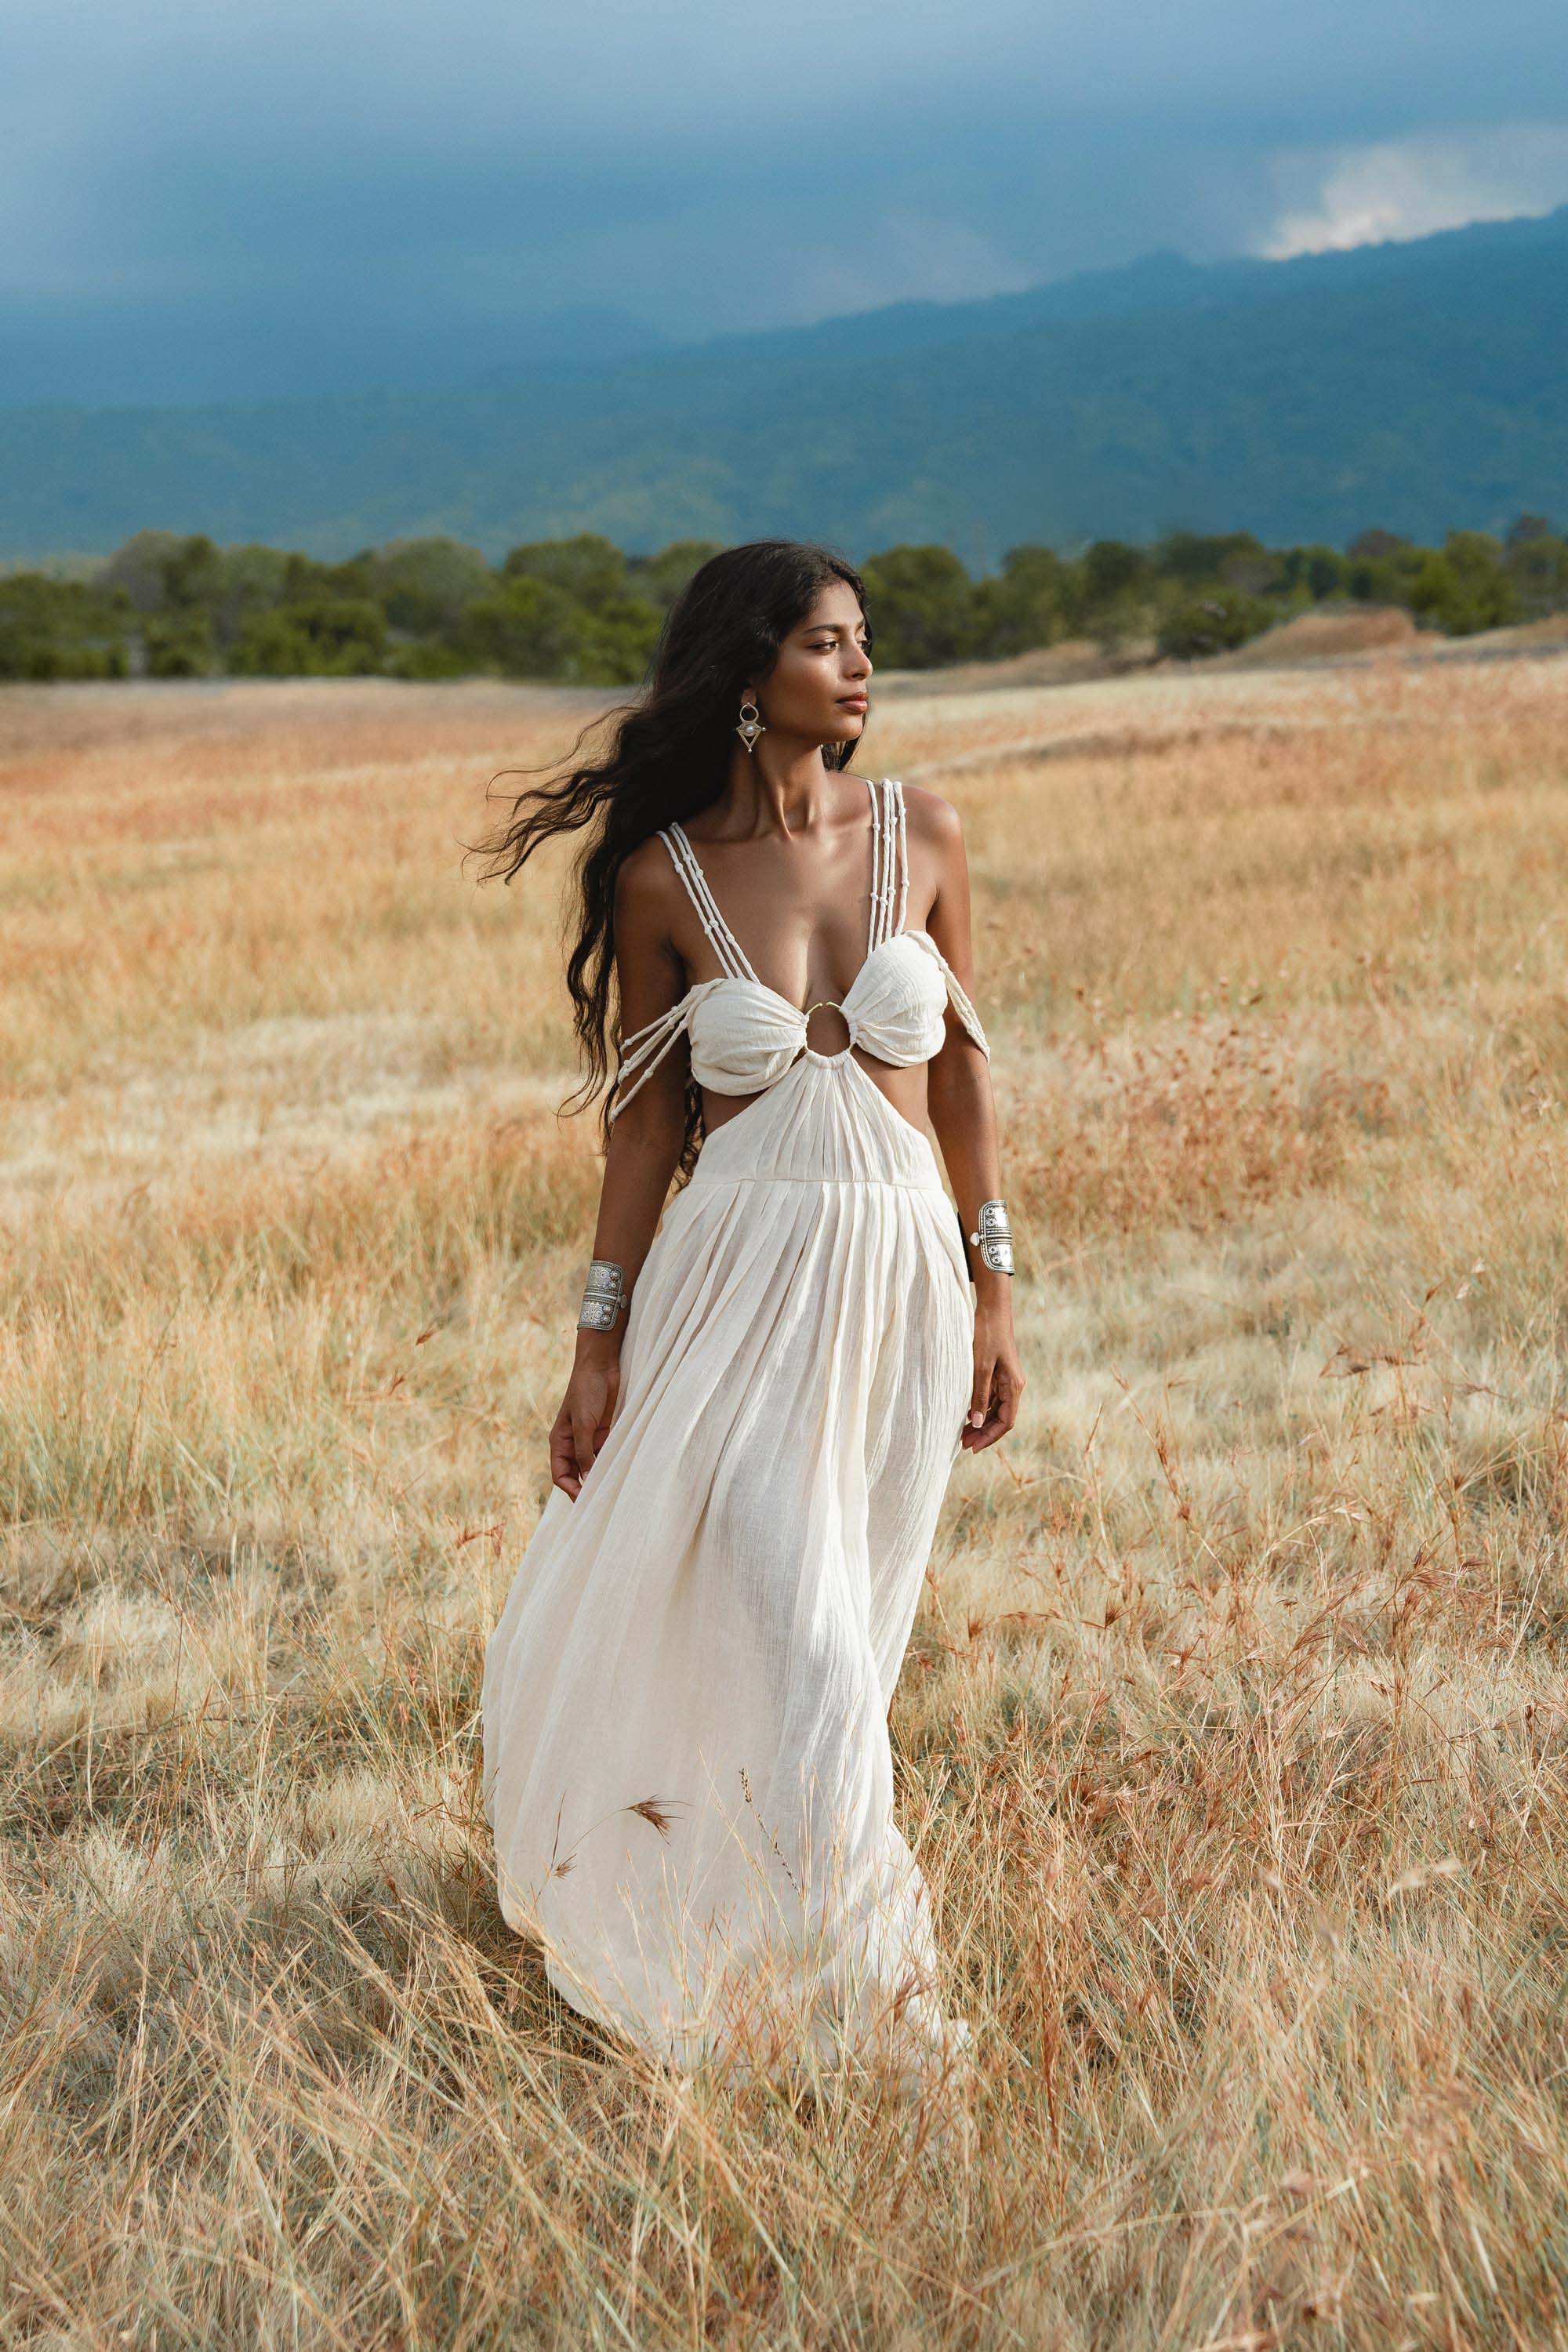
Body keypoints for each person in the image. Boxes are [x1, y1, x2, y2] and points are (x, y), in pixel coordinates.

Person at [474, 539, 1023, 2093]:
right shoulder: (664, 878)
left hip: (899, 1282)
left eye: (863, 641)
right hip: (734, 1289)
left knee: (857, 1616)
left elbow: (965, 1079)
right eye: (827, 643)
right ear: (747, 669)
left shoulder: (926, 832)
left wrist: (992, 1285)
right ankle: (871, 2009)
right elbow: (645, 1128)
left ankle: (770, 1947)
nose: (860, 667)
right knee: (804, 1642)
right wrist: (596, 1344)